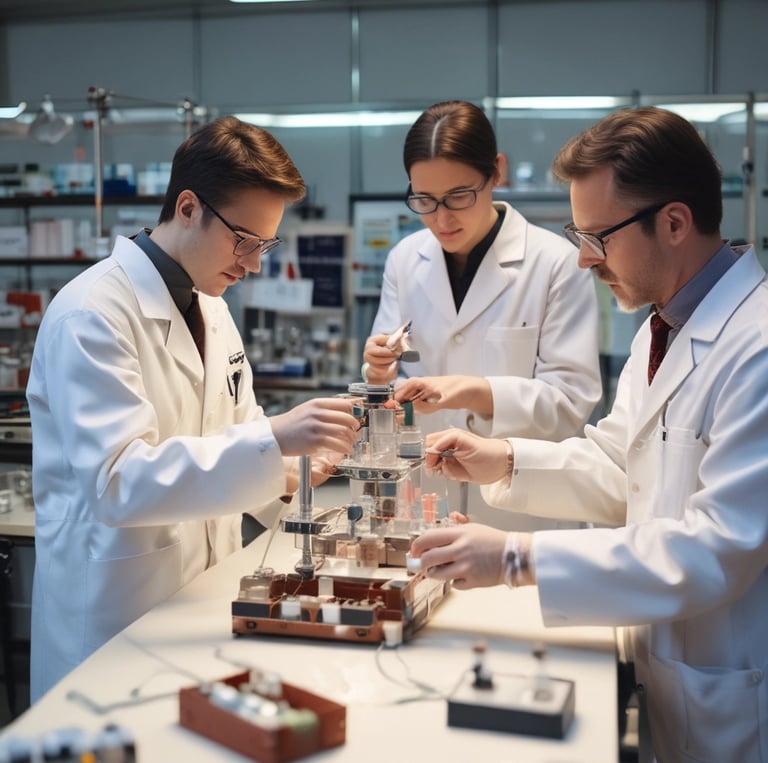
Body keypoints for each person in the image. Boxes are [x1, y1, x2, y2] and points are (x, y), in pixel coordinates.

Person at [410, 106, 768, 763]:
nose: (582, 258)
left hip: (733, 705)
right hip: (666, 672)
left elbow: (717, 546)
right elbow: (619, 467)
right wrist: (504, 459)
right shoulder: (663, 328)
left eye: (598, 235)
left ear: (674, 222)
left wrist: (519, 559)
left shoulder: (758, 347)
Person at [25, 116, 361, 701]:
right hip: (111, 620)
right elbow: (117, 482)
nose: (254, 264)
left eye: (266, 244)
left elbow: (235, 439)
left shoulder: (214, 309)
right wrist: (274, 440)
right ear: (188, 207)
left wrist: (284, 476)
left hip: (203, 600)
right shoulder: (92, 313)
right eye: (245, 241)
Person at [362, 100, 601, 530]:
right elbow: (393, 379)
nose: (440, 218)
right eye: (424, 200)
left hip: (522, 512)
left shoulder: (555, 263)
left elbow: (569, 402)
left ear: (496, 171)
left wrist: (474, 391)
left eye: (458, 196)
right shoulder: (404, 259)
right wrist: (379, 375)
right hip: (426, 499)